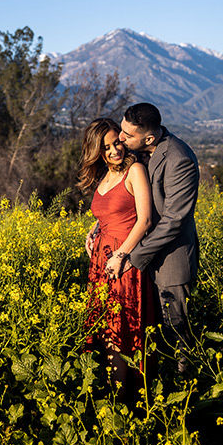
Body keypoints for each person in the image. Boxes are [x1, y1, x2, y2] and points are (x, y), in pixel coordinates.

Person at [100, 102, 199, 373]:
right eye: (121, 130)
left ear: (150, 138)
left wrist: (131, 257)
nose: (120, 139)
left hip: (171, 262)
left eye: (127, 135)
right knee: (152, 333)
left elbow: (174, 221)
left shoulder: (180, 159)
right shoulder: (141, 153)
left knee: (177, 334)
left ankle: (185, 394)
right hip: (145, 261)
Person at [78, 118, 158, 402]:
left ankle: (123, 404)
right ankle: (113, 402)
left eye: (117, 143)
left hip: (122, 265)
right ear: (96, 151)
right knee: (105, 332)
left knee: (120, 332)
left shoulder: (135, 170)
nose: (115, 151)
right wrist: (94, 230)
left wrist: (122, 254)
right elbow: (107, 214)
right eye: (107, 147)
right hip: (101, 262)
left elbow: (145, 219)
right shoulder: (105, 175)